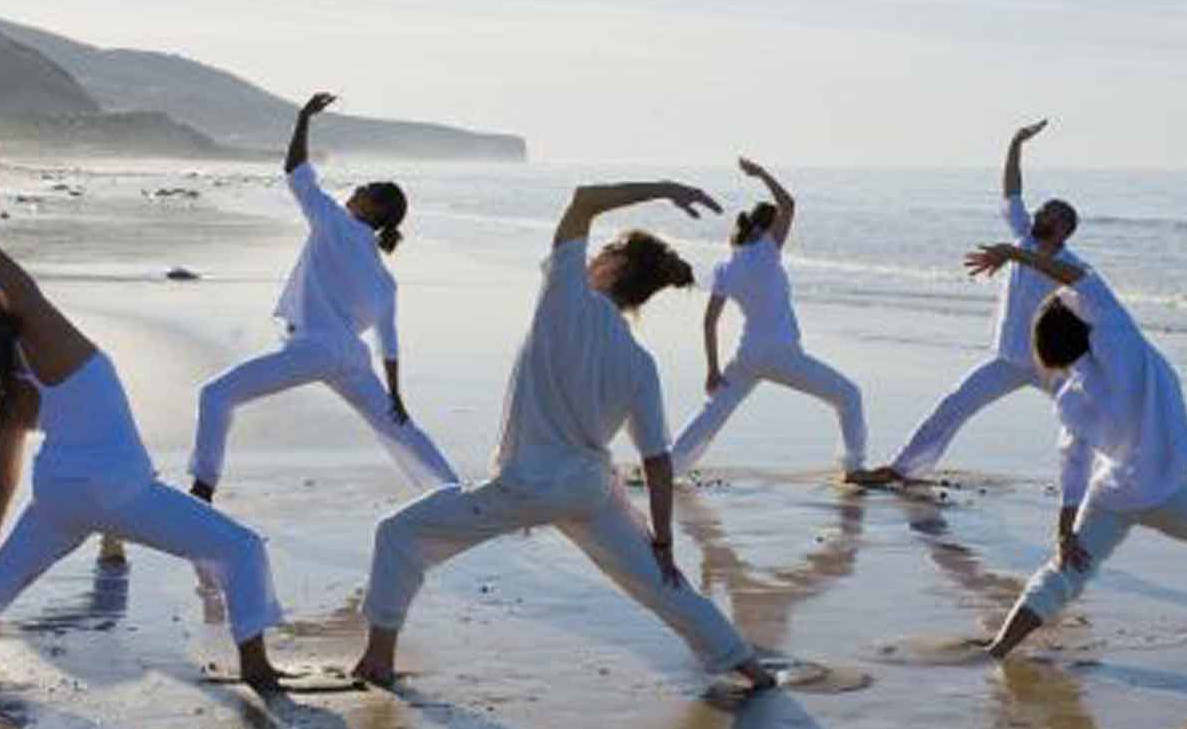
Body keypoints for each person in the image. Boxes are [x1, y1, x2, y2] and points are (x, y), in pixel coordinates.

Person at [0, 182, 285, 688]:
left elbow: (3, 481)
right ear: (0, 311)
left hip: (58, 496)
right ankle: (256, 667)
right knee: (242, 548)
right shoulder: (48, 334)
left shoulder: (4, 389)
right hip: (122, 490)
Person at [351, 179, 775, 692]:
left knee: (398, 535)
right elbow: (658, 461)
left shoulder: (564, 297)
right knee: (660, 583)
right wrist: (661, 540)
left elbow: (583, 199)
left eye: (606, 249)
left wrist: (665, 189)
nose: (593, 254)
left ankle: (378, 658)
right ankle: (748, 667)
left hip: (531, 485)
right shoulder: (640, 361)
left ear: (614, 265)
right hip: (590, 489)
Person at [963, 240, 1187, 658]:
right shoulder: (1125, 346)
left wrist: (1064, 531)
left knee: (1065, 574)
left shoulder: (1071, 392)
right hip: (1170, 490)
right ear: (1087, 320)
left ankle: (1001, 646)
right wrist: (1015, 254)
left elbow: (1074, 464)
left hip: (1111, 494)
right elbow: (1081, 279)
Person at [187, 92, 457, 502]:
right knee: (399, 427)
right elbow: (389, 343)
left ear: (370, 208)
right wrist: (396, 395)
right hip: (351, 356)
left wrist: (303, 119)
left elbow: (295, 169)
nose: (357, 187)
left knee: (216, 395)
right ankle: (453, 491)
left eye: (365, 189)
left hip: (312, 346)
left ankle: (202, 490)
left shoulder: (333, 222)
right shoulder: (384, 277)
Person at [861, 119, 1085, 484]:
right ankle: (901, 469)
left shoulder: (1070, 266)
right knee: (953, 405)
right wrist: (1015, 143)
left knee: (1090, 418)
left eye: (1049, 214)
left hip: (1052, 366)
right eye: (1042, 211)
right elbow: (1012, 190)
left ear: (1063, 229)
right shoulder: (1024, 239)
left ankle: (1131, 481)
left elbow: (1090, 306)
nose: (1039, 215)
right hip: (1009, 358)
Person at [667, 157, 870, 480]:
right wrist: (761, 174)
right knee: (849, 396)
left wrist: (713, 369)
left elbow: (709, 323)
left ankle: (667, 467)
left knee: (713, 413)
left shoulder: (726, 268)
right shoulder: (767, 249)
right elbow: (788, 203)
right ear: (763, 230)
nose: (782, 231)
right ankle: (854, 468)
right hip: (783, 354)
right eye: (776, 226)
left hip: (748, 355)